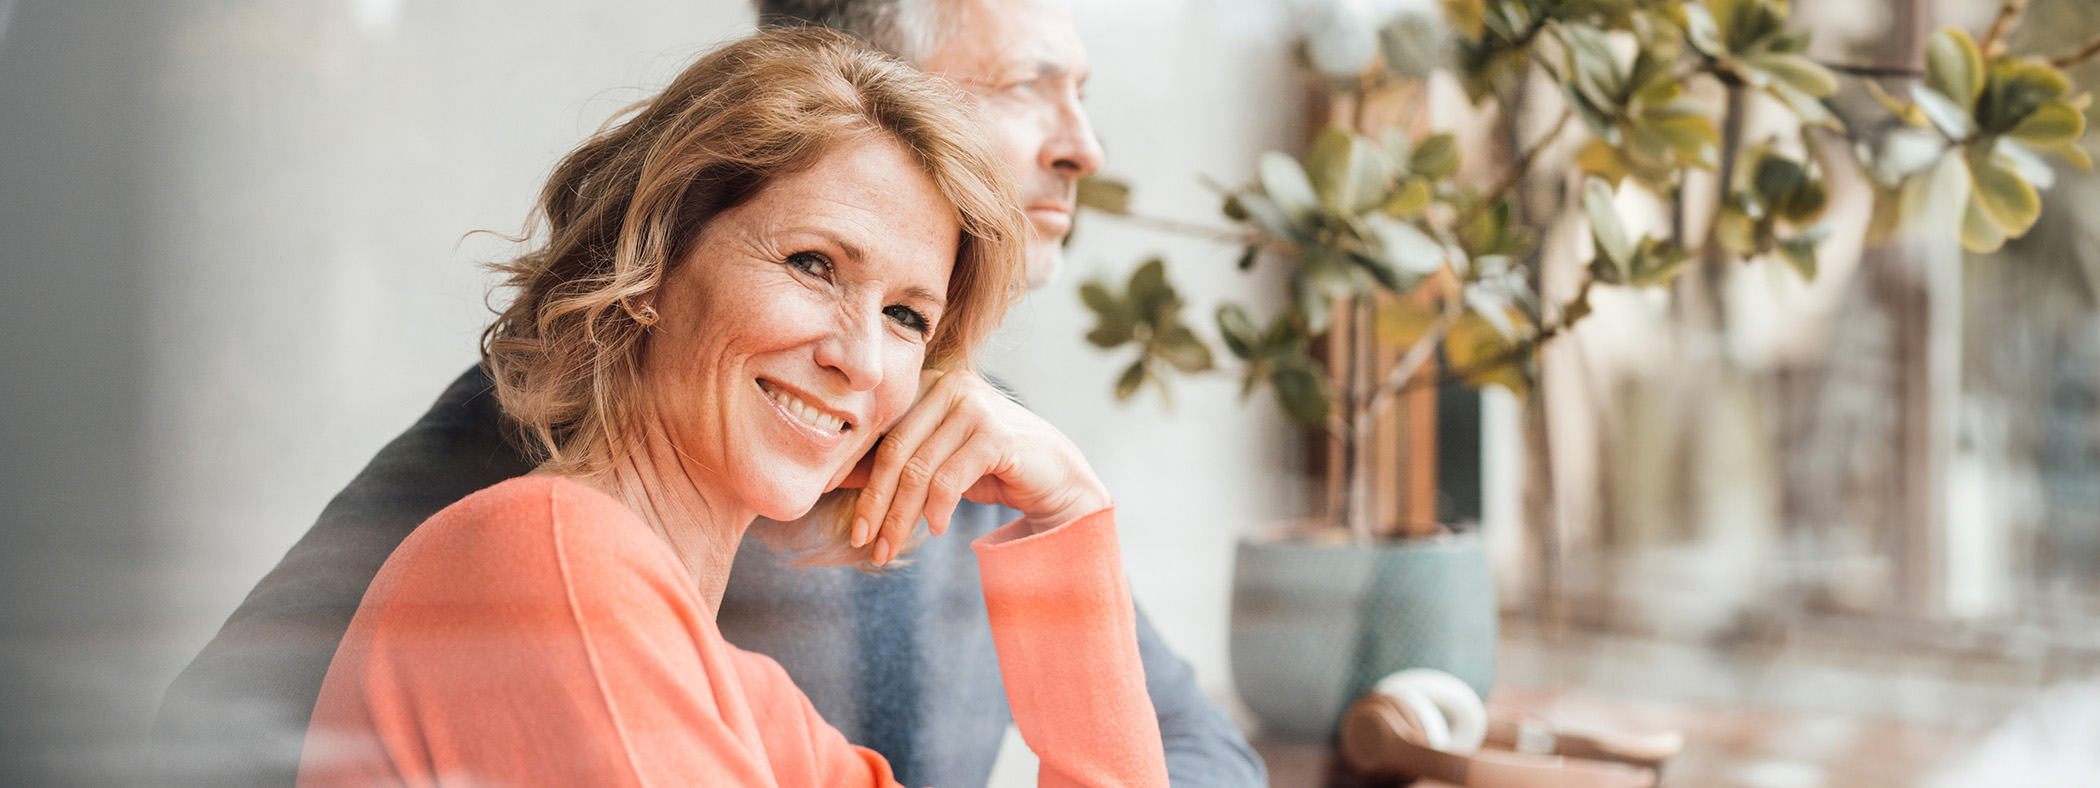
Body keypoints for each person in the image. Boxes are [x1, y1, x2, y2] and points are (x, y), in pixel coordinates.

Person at [155, 1, 1264, 787]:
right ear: (651, 267)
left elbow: (1179, 742)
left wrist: (1067, 519)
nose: (857, 355)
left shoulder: (746, 695)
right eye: (813, 264)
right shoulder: (549, 552)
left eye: (909, 317)